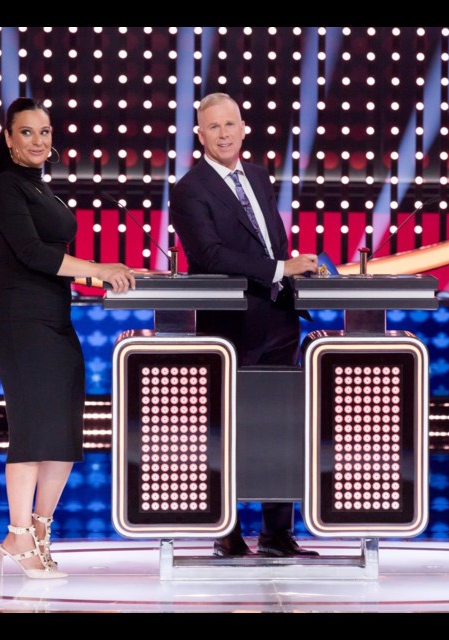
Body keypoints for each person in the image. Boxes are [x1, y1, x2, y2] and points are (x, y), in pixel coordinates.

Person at [0, 97, 136, 578]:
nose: (38, 141)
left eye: (45, 132)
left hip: (54, 320)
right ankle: (17, 534)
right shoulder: (6, 187)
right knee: (32, 432)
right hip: (18, 321)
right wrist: (97, 271)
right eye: (27, 133)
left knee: (63, 433)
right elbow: (32, 253)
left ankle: (40, 529)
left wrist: (112, 274)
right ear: (8, 138)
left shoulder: (41, 190)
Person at [169, 93, 319, 558]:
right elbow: (210, 256)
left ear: (243, 126)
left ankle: (277, 534)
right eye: (214, 127)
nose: (225, 133)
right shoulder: (190, 189)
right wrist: (280, 268)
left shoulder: (257, 175)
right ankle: (227, 532)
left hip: (278, 319)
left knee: (281, 424)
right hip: (229, 326)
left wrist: (292, 274)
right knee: (229, 427)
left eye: (231, 124)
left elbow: (270, 238)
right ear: (200, 135)